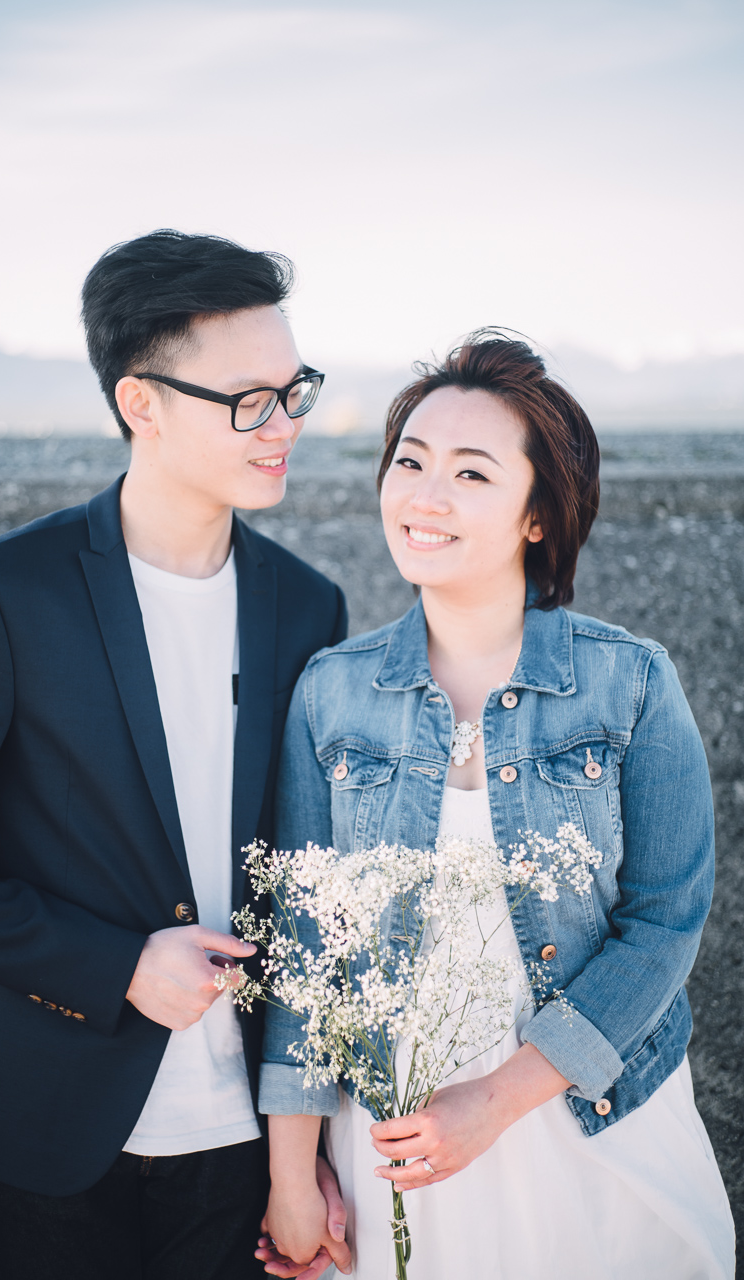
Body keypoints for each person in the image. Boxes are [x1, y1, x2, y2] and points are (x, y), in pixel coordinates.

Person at [0, 229, 353, 1280]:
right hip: (48, 1122)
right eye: (248, 400)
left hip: (247, 1131)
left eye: (295, 391)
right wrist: (116, 967)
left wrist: (309, 1141)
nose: (282, 427)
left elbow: (320, 885)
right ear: (141, 402)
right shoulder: (8, 590)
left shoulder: (306, 606)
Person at [257, 332, 735, 1279]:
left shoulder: (629, 682)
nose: (424, 496)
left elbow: (664, 924)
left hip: (593, 1119)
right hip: (396, 1135)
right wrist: (290, 1176)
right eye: (409, 462)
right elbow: (307, 947)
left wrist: (498, 1099)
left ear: (535, 517)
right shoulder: (331, 693)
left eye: (471, 474)